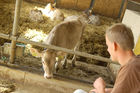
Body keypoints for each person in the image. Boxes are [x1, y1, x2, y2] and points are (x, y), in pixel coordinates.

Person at [74, 23, 140, 93]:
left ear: (114, 45)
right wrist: (110, 90)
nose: (107, 49)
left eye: (108, 45)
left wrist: (100, 88)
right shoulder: (136, 62)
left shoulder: (130, 69)